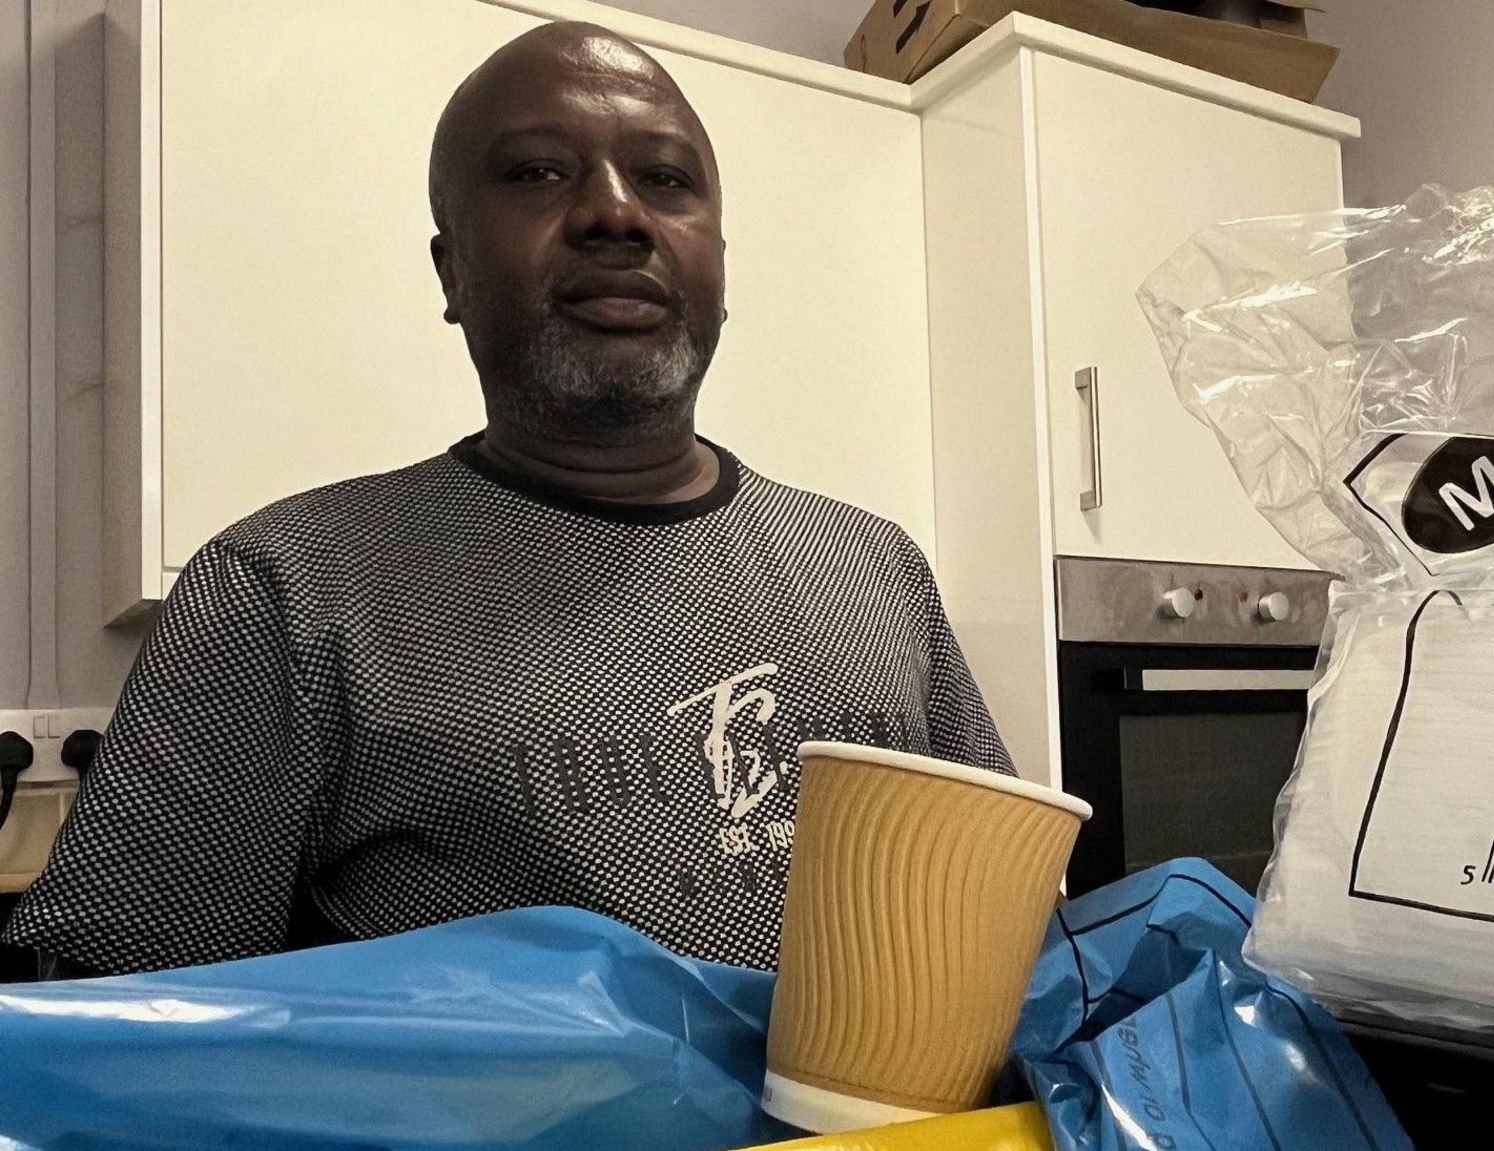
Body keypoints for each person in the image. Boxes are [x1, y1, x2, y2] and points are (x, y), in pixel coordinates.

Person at [1, 21, 1011, 977]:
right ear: (452, 270)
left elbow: (1007, 918)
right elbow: (122, 1040)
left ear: (718, 267)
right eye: (536, 172)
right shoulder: (284, 594)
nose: (616, 211)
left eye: (665, 180)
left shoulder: (877, 571)